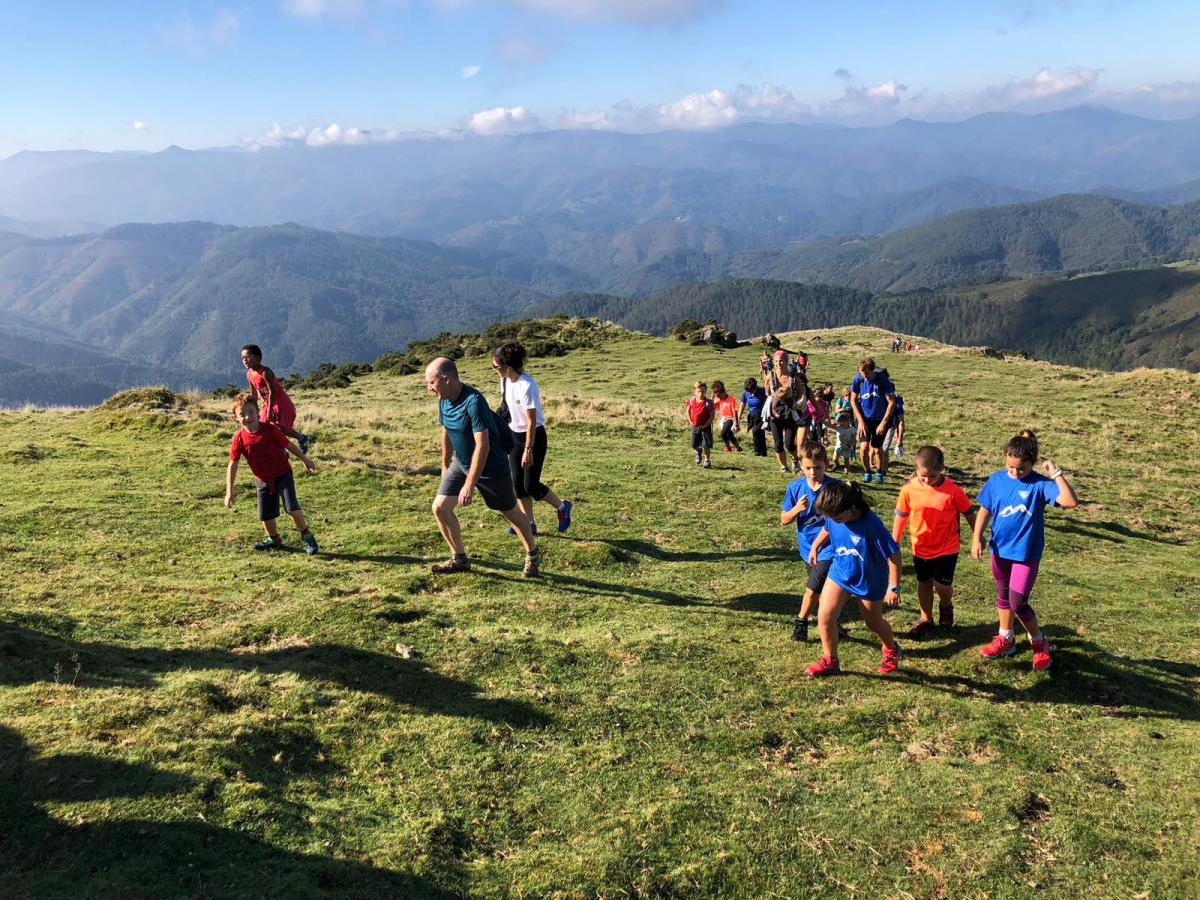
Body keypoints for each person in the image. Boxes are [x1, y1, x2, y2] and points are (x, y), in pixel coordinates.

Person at [972, 430, 1078, 671]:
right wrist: (977, 537)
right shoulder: (996, 480)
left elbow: (1070, 502)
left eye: (1021, 469)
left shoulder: (1040, 484)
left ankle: (1038, 642)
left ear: (1032, 463)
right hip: (999, 551)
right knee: (1002, 596)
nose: (1015, 473)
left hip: (1025, 555)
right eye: (1010, 467)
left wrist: (1056, 474)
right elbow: (985, 509)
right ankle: (1006, 639)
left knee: (1017, 602)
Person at [425, 357, 541, 578]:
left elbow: (483, 446)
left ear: (446, 379)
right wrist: (444, 463)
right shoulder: (444, 398)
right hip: (461, 463)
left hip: (491, 468)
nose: (429, 389)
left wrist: (469, 485)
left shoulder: (474, 402)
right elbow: (446, 429)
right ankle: (459, 558)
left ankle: (532, 555)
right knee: (440, 508)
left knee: (512, 514)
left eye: (431, 383)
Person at [804, 481, 904, 677]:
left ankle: (891, 649)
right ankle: (830, 660)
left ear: (851, 509)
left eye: (837, 517)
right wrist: (816, 545)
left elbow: (894, 554)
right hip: (840, 573)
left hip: (869, 580)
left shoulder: (871, 525)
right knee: (825, 617)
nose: (834, 521)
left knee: (873, 623)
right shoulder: (834, 516)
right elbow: (827, 527)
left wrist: (894, 587)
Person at [892, 446, 976, 638]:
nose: (928, 480)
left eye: (933, 476)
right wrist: (894, 540)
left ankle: (945, 604)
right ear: (916, 468)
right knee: (924, 582)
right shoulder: (908, 490)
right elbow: (901, 515)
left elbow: (969, 512)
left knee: (942, 586)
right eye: (923, 476)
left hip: (947, 547)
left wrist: (976, 536)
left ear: (942, 470)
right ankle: (925, 618)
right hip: (919, 546)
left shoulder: (954, 491)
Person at [492, 342, 573, 535]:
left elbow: (531, 421)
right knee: (517, 486)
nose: (494, 370)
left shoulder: (527, 385)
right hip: (514, 436)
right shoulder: (504, 382)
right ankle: (529, 524)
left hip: (533, 437)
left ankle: (563, 507)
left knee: (531, 485)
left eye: (495, 367)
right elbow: (506, 409)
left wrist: (528, 449)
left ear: (506, 366)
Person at [224, 392, 318, 555]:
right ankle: (273, 539)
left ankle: (307, 536)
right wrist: (229, 492)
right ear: (235, 418)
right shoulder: (239, 438)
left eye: (251, 412)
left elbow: (289, 445)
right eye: (242, 414)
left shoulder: (270, 429)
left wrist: (305, 460)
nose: (247, 417)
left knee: (292, 509)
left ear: (258, 411)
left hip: (283, 474)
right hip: (262, 480)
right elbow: (233, 464)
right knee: (265, 516)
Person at [781, 443, 841, 643]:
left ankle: (801, 623)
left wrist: (818, 545)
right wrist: (797, 509)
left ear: (826, 465)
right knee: (823, 590)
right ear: (801, 466)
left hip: (829, 547)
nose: (813, 472)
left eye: (817, 468)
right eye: (808, 468)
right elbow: (784, 519)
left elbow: (836, 522)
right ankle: (832, 624)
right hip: (806, 547)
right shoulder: (795, 488)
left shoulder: (834, 488)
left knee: (813, 589)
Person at [241, 344, 309, 453]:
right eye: (243, 358)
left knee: (281, 428)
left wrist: (270, 411)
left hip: (281, 402)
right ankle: (298, 440)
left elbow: (273, 392)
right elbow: (253, 392)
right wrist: (252, 407)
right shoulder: (249, 374)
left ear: (258, 357)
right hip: (267, 403)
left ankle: (288, 447)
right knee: (264, 426)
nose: (244, 360)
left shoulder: (265, 372)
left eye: (247, 357)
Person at [850, 357, 897, 484]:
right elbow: (853, 400)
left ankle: (880, 472)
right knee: (864, 447)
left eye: (865, 373)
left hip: (879, 419)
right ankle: (867, 472)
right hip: (864, 419)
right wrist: (860, 420)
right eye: (861, 372)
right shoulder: (858, 380)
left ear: (872, 371)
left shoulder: (882, 380)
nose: (863, 375)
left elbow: (892, 402)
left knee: (877, 448)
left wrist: (883, 423)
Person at [762, 386, 803, 474]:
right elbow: (767, 412)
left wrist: (796, 407)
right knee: (778, 444)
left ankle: (795, 459)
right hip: (775, 420)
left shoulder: (791, 397)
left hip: (790, 419)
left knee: (789, 444)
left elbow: (798, 405)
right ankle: (783, 466)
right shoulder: (771, 399)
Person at [686, 381, 715, 469]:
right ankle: (698, 451)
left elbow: (712, 415)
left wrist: (706, 425)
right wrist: (690, 421)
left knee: (706, 445)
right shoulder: (692, 400)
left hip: (705, 427)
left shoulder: (708, 402)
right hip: (695, 426)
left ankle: (707, 460)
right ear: (695, 391)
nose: (701, 393)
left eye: (703, 391)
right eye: (699, 391)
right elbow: (688, 410)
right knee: (694, 445)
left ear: (706, 391)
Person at [739, 377, 768, 457]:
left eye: (752, 391)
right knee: (758, 432)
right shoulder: (745, 392)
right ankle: (763, 452)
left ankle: (757, 451)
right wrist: (738, 418)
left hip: (762, 415)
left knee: (756, 430)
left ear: (756, 387)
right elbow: (742, 405)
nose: (751, 393)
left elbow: (767, 404)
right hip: (752, 415)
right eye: (749, 391)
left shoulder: (762, 392)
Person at [711, 381, 742, 454]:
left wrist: (737, 424)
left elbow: (735, 412)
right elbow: (711, 407)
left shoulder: (731, 399)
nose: (716, 396)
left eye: (717, 395)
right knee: (730, 435)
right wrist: (712, 398)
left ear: (722, 392)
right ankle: (738, 448)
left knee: (723, 433)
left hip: (731, 419)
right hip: (723, 419)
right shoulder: (717, 399)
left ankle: (728, 448)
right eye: (715, 394)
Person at [881, 394, 906, 459]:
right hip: (879, 424)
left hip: (891, 425)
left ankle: (883, 465)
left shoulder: (897, 403)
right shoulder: (879, 400)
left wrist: (899, 439)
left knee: (884, 447)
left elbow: (901, 421)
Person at [832, 409, 857, 475]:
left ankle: (846, 472)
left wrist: (849, 445)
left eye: (843, 422)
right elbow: (830, 425)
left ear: (848, 421)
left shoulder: (852, 429)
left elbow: (853, 438)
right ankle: (837, 464)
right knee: (835, 458)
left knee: (846, 460)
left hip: (848, 446)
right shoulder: (838, 428)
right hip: (839, 446)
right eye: (840, 422)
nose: (841, 424)